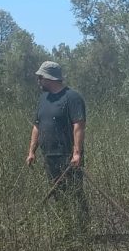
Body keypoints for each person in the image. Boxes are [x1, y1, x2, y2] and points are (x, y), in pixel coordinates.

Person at [25, 61, 89, 228]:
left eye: (40, 78)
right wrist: (32, 151)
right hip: (49, 155)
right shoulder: (43, 99)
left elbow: (79, 126)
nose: (38, 81)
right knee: (58, 193)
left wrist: (77, 153)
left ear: (49, 78)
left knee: (75, 192)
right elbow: (37, 126)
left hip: (67, 156)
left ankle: (83, 229)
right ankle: (66, 228)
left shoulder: (72, 97)